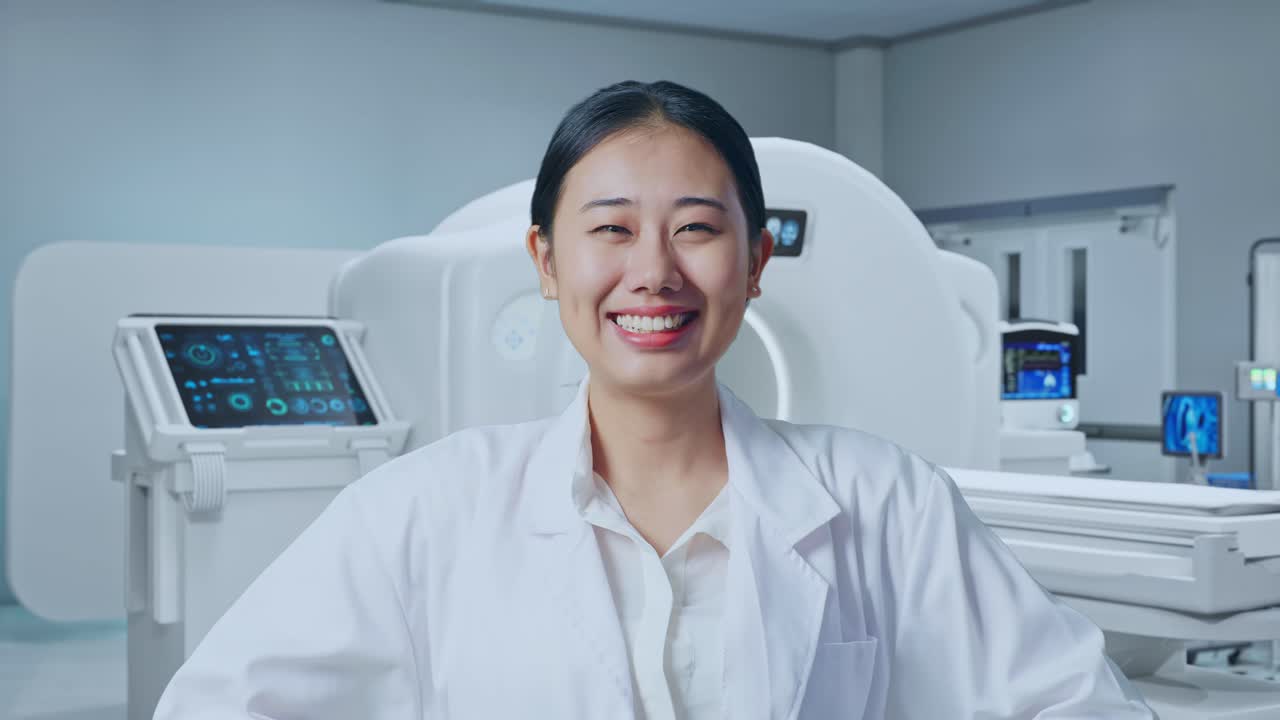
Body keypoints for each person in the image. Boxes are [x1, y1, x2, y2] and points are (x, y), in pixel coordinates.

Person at [154, 80, 1154, 719]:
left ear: (755, 262)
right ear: (545, 261)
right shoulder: (421, 512)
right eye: (611, 230)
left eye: (695, 230)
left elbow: (1069, 703)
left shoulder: (885, 501)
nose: (653, 272)